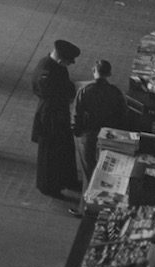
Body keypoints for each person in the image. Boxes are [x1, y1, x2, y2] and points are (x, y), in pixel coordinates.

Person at [31, 40, 81, 203]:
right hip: (50, 116)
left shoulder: (50, 66)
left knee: (64, 148)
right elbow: (57, 92)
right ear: (61, 60)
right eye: (70, 60)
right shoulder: (47, 73)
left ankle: (66, 180)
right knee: (50, 153)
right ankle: (50, 186)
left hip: (57, 113)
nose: (71, 64)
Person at [72, 59, 129, 203]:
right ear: (109, 73)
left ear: (93, 71)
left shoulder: (84, 91)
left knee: (89, 171)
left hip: (89, 135)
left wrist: (77, 132)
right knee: (106, 172)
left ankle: (86, 206)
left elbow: (77, 114)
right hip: (109, 135)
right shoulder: (115, 92)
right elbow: (122, 114)